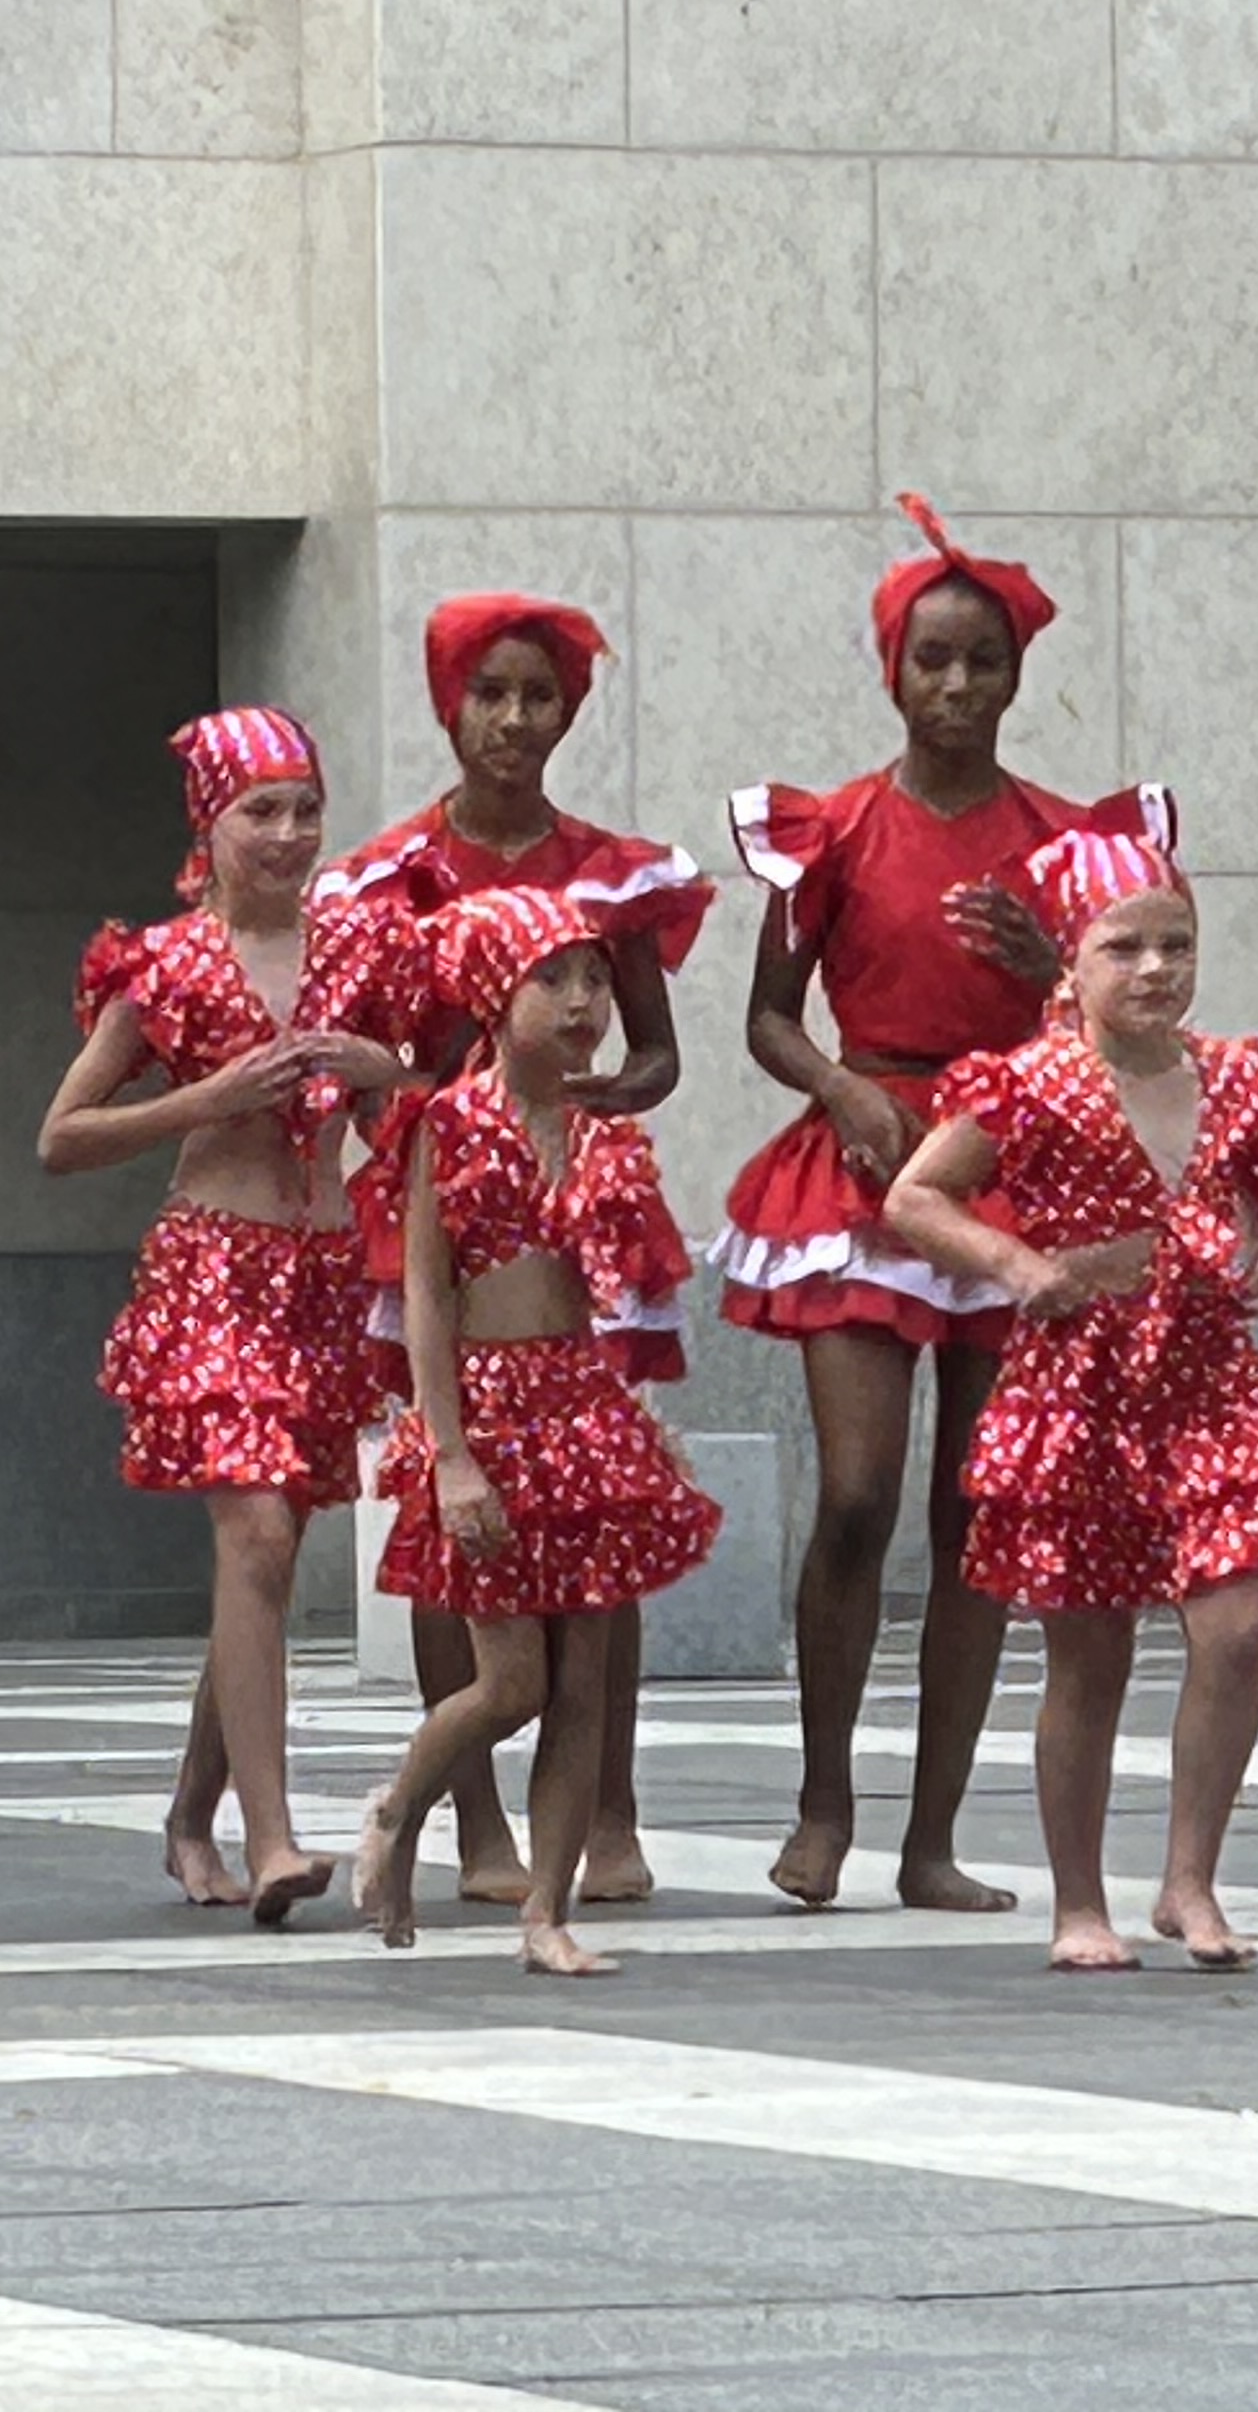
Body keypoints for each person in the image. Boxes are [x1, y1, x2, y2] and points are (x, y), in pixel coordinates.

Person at [716, 493, 1170, 1911]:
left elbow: (1123, 1024)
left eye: (983, 662)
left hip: (1007, 1183)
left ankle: (933, 1839)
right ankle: (822, 1804)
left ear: (1018, 675)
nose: (959, 686)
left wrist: (1056, 958)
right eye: (934, 661)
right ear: (892, 671)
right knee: (856, 1494)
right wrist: (844, 1091)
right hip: (860, 1169)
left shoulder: (1062, 842)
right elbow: (769, 1020)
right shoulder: (835, 830)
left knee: (983, 1512)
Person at [881, 829, 1258, 1975]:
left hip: (1209, 1383)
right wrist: (1019, 1266)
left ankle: (1191, 1880)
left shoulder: (1241, 1074)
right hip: (1080, 1391)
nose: (1154, 969)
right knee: (1088, 1659)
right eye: (1122, 946)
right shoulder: (1030, 1085)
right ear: (1070, 968)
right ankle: (1078, 1901)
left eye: (1174, 944)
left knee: (1239, 1630)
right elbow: (915, 1198)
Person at [322, 593, 715, 1909]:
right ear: (449, 703)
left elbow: (655, 1045)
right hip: (447, 1201)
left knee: (605, 1513)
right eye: (489, 692)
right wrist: (418, 1106)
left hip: (581, 1205)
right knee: (457, 1515)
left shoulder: (609, 873)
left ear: (569, 711)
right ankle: (477, 1825)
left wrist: (617, 1094)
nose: (513, 718)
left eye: (538, 694)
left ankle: (609, 1808)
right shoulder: (393, 872)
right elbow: (369, 1053)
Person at [39, 706, 418, 1926]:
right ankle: (273, 1839)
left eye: (306, 808)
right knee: (253, 1538)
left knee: (269, 1557)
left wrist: (387, 1079)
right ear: (209, 823)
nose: (291, 833)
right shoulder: (165, 962)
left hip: (320, 1273)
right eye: (262, 810)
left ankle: (193, 1816)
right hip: (213, 1264)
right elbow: (62, 1137)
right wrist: (198, 1098)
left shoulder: (360, 946)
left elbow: (413, 1119)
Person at [357, 890, 718, 1977]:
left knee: (586, 1683)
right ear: (491, 994)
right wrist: (449, 1448)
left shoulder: (609, 1137)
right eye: (550, 979)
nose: (580, 1002)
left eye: (596, 979)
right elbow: (426, 1290)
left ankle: (547, 1912)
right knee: (509, 1681)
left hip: (583, 1411)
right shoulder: (447, 1123)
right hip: (489, 1411)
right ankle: (401, 1810)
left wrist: (641, 1430)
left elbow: (627, 1294)